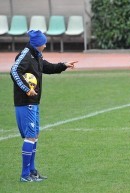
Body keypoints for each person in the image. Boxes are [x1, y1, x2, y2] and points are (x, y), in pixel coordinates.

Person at [10, 30, 77, 182]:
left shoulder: (36, 55)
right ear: (37, 44)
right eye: (43, 43)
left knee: (34, 136)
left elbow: (46, 67)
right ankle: (25, 175)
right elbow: (14, 71)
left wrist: (63, 65)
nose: (45, 45)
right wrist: (27, 89)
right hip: (25, 102)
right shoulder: (26, 55)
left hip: (34, 102)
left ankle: (32, 171)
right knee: (30, 136)